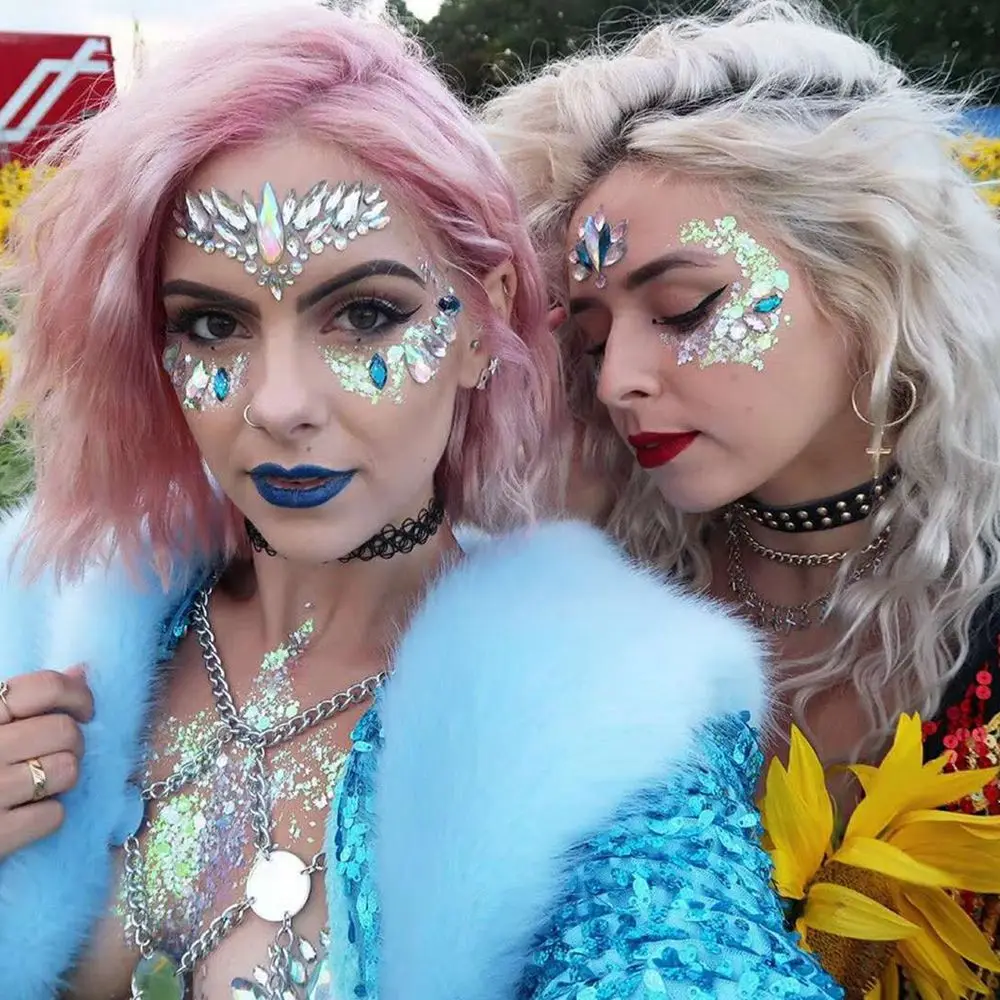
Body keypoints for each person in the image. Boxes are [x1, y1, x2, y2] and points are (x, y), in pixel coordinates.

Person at [0, 6, 843, 1000]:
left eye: (365, 314)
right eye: (213, 325)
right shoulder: (38, 621)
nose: (279, 403)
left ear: (484, 320)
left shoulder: (602, 712)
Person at [483, 0, 1000, 991]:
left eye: (684, 309)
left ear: (866, 271)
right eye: (590, 337)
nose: (617, 380)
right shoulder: (607, 583)